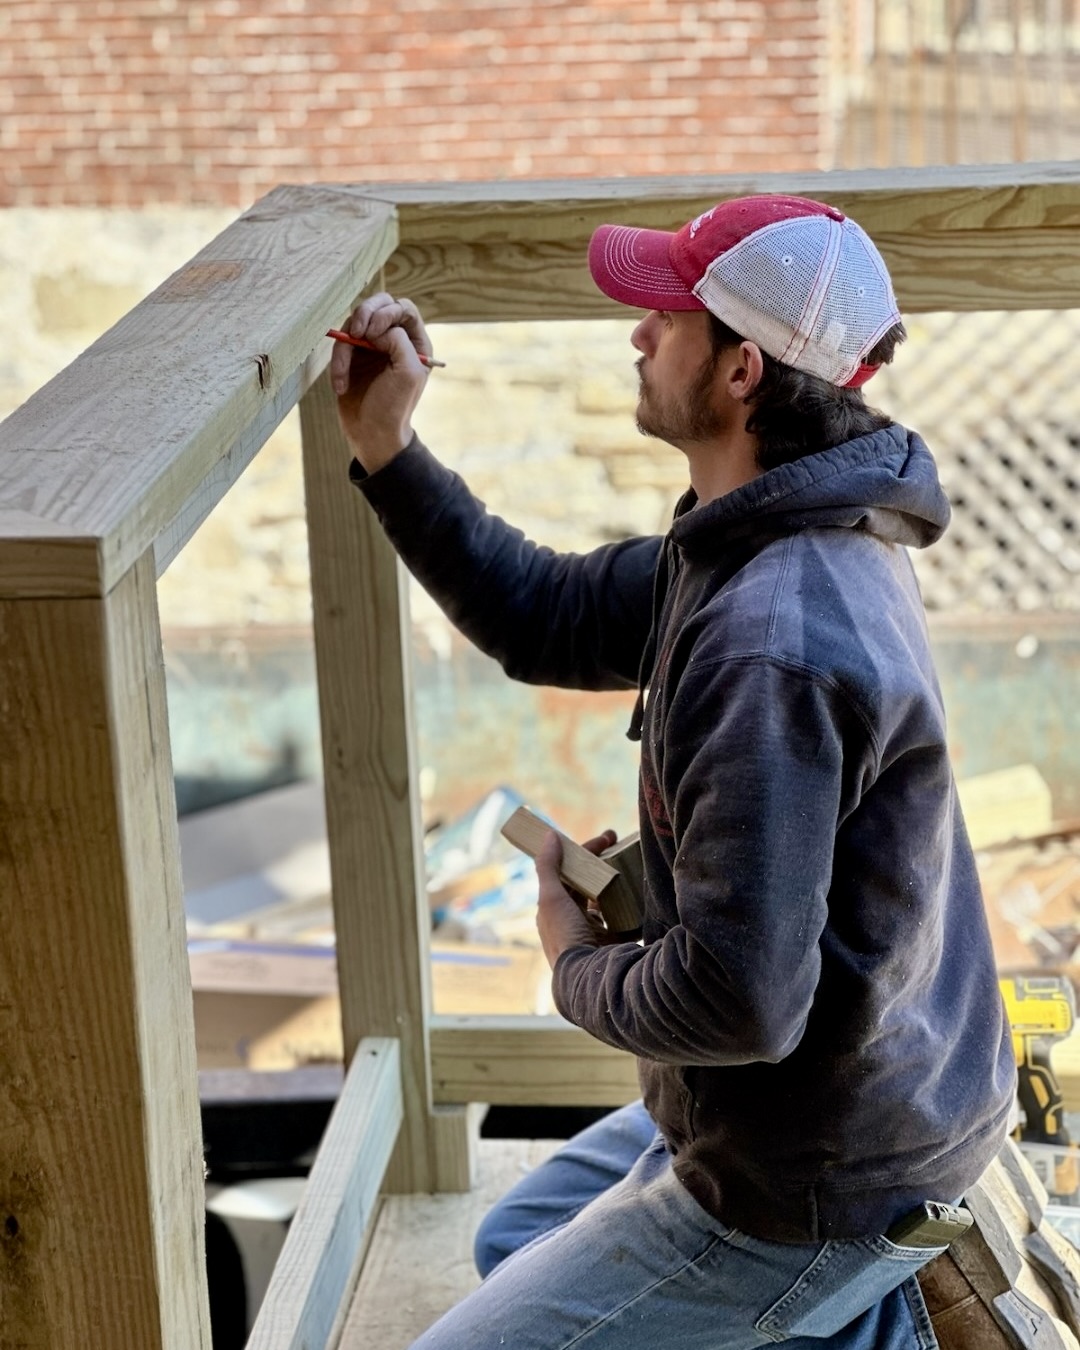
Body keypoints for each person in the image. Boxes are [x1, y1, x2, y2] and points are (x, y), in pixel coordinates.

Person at [330, 194, 1016, 1350]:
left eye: (667, 316)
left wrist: (574, 964)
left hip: (819, 1169)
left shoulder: (771, 640)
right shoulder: (772, 531)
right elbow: (545, 613)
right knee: (516, 1242)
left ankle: (865, 1307)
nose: (639, 334)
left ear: (741, 369)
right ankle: (841, 1314)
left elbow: (738, 1003)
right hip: (860, 1097)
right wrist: (387, 449)